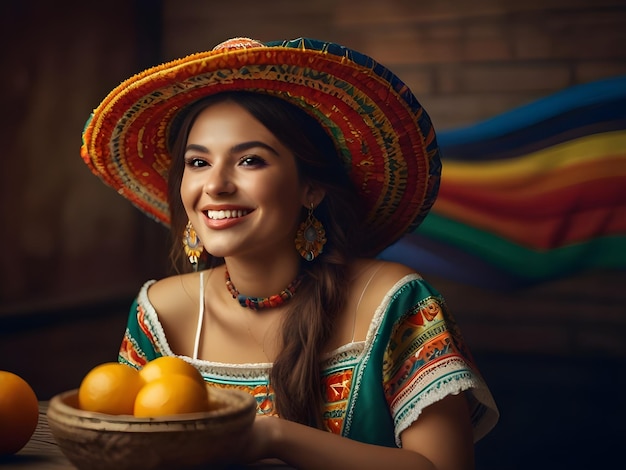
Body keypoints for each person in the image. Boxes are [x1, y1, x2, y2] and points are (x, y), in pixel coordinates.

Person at [81, 37, 499, 469]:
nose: (216, 185)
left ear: (311, 188)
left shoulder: (395, 302)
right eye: (198, 162)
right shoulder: (160, 313)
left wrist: (275, 436)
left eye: (250, 161)